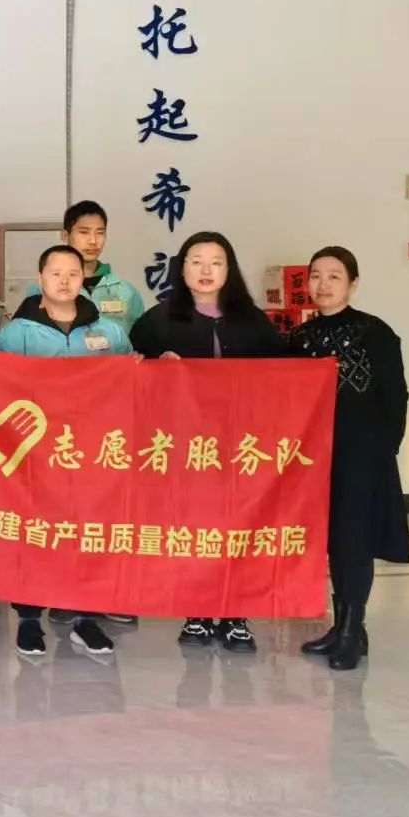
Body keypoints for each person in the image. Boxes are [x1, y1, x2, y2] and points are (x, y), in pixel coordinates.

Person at [130, 231, 287, 653]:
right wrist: (153, 366)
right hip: (186, 447)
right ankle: (197, 612)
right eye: (196, 261)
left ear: (228, 269)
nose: (205, 270)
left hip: (241, 447)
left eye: (216, 262)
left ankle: (236, 614)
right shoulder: (158, 321)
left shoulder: (253, 321)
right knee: (194, 529)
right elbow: (130, 375)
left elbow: (283, 377)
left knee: (240, 529)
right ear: (181, 269)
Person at [0, 245, 133, 660]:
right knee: (35, 534)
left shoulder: (108, 331)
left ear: (82, 279)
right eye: (56, 273)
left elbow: (132, 379)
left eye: (73, 273)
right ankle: (29, 619)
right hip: (35, 456)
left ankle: (84, 618)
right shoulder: (17, 333)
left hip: (90, 455)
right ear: (41, 279)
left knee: (86, 535)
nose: (65, 280)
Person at [289, 247, 409, 671]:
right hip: (316, 459)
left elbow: (396, 396)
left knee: (355, 542)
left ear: (353, 284)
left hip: (363, 456)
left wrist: (384, 449)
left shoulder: (376, 333)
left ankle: (351, 632)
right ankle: (344, 627)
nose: (323, 284)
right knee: (334, 543)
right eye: (316, 276)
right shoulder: (299, 339)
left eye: (334, 276)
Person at [31, 202, 146, 335]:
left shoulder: (125, 291)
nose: (93, 241)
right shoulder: (43, 289)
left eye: (100, 233)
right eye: (84, 232)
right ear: (65, 235)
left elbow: (142, 339)